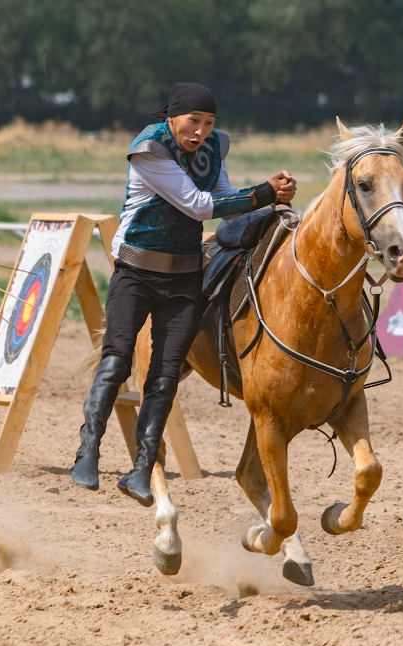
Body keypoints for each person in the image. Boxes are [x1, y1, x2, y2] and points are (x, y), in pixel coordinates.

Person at [70, 82, 296, 506]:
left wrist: (269, 199)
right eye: (194, 121)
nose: (201, 131)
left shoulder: (212, 149)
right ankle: (88, 452)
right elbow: (197, 205)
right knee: (117, 360)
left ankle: (140, 470)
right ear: (172, 117)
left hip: (184, 277)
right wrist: (262, 193)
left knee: (165, 374)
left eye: (209, 123)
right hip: (135, 273)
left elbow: (224, 194)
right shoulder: (149, 149)